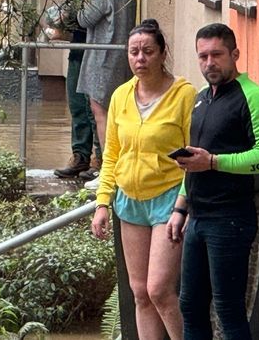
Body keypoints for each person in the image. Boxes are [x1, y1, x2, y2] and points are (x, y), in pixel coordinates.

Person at [166, 23, 259, 340]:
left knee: (229, 311)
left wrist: (215, 162)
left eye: (216, 54)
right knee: (190, 305)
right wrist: (180, 208)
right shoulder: (202, 99)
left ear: (235, 54)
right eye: (202, 56)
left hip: (231, 219)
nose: (209, 63)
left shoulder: (253, 97)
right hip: (198, 218)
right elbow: (193, 163)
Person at [90, 20, 195, 340]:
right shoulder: (121, 95)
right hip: (130, 200)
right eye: (133, 52)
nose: (140, 59)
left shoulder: (184, 94)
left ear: (163, 53)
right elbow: (112, 154)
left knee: (159, 290)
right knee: (139, 293)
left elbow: (195, 158)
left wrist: (183, 203)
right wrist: (102, 202)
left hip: (168, 198)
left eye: (148, 51)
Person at [74, 0, 138, 190]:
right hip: (119, 55)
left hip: (104, 56)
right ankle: (111, 167)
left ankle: (107, 170)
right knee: (112, 110)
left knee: (101, 111)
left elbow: (85, 18)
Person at [51, 0, 98, 180]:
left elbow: (88, 20)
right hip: (77, 51)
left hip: (94, 53)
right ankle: (80, 156)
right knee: (77, 105)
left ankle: (97, 158)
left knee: (93, 109)